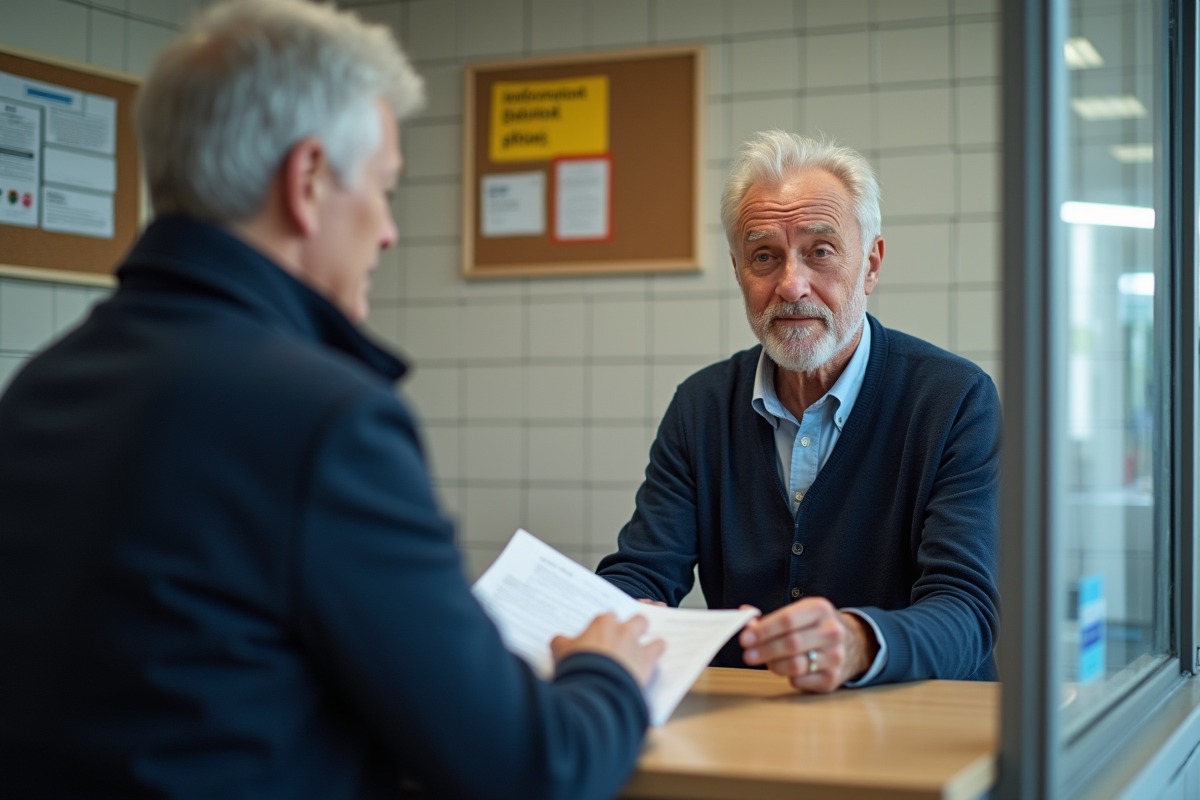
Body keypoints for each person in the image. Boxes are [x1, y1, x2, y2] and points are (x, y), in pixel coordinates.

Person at [0, 2, 663, 798]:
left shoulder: (39, 388)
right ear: (308, 180)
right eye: (384, 189)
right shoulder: (325, 421)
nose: (387, 232)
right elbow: (528, 766)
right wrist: (606, 673)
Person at [597, 130, 1000, 693]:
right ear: (739, 271)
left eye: (821, 251)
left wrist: (858, 642)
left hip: (912, 719)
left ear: (871, 265)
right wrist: (619, 612)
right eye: (764, 256)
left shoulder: (955, 399)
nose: (791, 285)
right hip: (746, 721)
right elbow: (643, 569)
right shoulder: (701, 405)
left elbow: (967, 609)